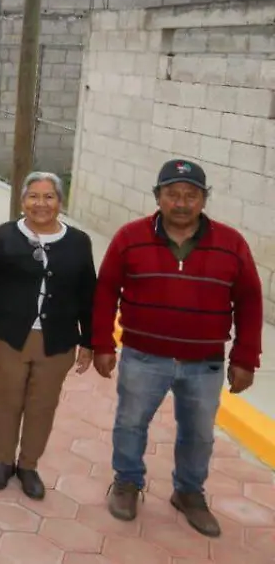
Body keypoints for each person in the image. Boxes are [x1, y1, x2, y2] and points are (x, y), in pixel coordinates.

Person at [94, 159, 263, 537]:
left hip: (203, 364)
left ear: (204, 200)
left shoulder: (231, 243)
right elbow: (105, 290)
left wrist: (245, 358)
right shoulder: (129, 237)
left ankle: (188, 492)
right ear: (158, 197)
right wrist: (102, 342)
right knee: (130, 422)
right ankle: (127, 482)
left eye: (191, 195)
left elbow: (250, 301)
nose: (182, 203)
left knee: (199, 433)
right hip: (142, 357)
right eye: (173, 194)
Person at [0, 172, 96, 500]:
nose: (41, 204)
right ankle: (4, 461)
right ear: (23, 201)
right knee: (9, 399)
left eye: (49, 196)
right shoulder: (5, 236)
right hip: (9, 337)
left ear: (60, 202)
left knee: (42, 405)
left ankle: (28, 465)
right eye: (34, 196)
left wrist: (89, 340)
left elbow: (88, 294)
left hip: (57, 340)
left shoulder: (79, 242)